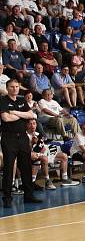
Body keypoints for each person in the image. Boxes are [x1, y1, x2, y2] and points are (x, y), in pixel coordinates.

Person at [1, 79, 42, 207]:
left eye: (17, 86)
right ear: (7, 88)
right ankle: (7, 198)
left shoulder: (21, 100)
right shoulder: (3, 101)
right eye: (12, 87)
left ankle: (29, 195)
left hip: (23, 138)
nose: (14, 89)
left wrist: (14, 112)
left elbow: (31, 115)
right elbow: (5, 118)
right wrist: (22, 115)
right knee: (8, 168)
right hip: (9, 138)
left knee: (26, 167)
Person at [27, 119, 79, 189]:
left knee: (64, 156)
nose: (32, 126)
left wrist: (38, 144)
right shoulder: (25, 135)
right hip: (31, 154)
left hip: (43, 152)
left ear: (36, 125)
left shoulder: (38, 135)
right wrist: (32, 143)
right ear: (27, 125)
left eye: (34, 123)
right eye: (30, 124)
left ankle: (64, 179)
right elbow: (29, 150)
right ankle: (47, 181)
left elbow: (41, 148)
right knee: (43, 158)